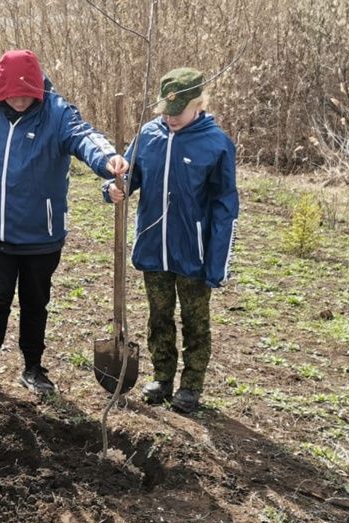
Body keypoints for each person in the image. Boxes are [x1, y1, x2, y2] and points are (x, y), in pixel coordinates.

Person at [0, 49, 129, 399]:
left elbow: (85, 137)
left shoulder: (56, 113)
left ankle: (33, 368)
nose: (22, 100)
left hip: (42, 231)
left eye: (29, 93)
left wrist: (107, 158)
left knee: (35, 301)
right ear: (0, 90)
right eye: (15, 94)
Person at [107, 67, 239, 414]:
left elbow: (226, 207)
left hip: (193, 254)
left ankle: (191, 385)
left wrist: (218, 262)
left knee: (195, 321)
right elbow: (130, 177)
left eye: (177, 111)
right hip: (154, 248)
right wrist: (114, 189)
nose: (170, 118)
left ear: (199, 103)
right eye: (166, 111)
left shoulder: (216, 145)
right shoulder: (148, 136)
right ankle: (162, 377)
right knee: (159, 316)